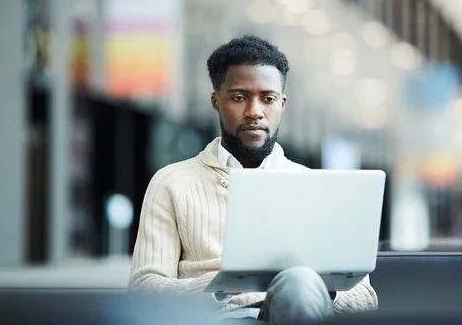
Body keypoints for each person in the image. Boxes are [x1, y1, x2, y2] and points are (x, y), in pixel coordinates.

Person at [129, 35, 378, 324]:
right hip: (215, 319)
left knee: (298, 281)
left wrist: (314, 288)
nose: (254, 112)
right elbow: (144, 290)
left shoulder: (317, 188)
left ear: (282, 104)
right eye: (238, 97)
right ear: (216, 102)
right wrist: (224, 284)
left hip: (295, 314)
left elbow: (365, 299)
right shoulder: (172, 183)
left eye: (268, 99)